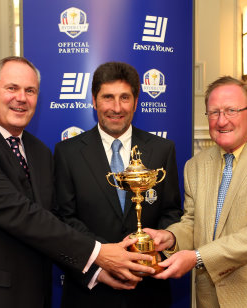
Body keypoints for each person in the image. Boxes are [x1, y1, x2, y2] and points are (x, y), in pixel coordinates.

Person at [0, 56, 155, 308]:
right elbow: (22, 215)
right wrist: (99, 253)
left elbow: (53, 219)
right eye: (12, 88)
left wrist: (94, 272)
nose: (22, 98)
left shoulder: (38, 151)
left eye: (30, 91)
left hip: (35, 294)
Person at [146, 76, 247, 308]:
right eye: (214, 112)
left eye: (231, 110)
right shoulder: (195, 166)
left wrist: (197, 257)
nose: (222, 121)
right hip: (211, 299)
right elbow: (193, 222)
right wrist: (171, 238)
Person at [53, 61, 183, 308]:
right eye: (107, 97)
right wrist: (104, 255)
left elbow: (171, 211)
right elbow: (64, 219)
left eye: (125, 97)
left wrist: (158, 246)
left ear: (136, 101)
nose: (116, 107)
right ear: (94, 101)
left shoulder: (162, 150)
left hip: (149, 291)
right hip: (91, 291)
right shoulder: (67, 152)